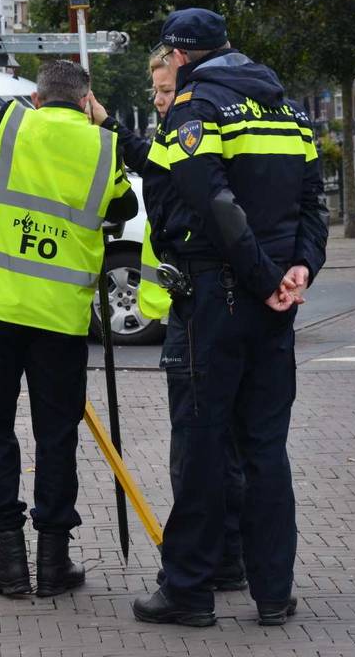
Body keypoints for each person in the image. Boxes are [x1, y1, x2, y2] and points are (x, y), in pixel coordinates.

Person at [0, 11, 139, 598]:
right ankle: (53, 562)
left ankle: (8, 561)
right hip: (59, 321)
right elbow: (121, 208)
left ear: (38, 98)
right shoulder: (105, 148)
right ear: (86, 102)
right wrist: (102, 125)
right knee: (56, 436)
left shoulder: (12, 124)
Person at [131, 8, 329, 628]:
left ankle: (189, 590)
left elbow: (213, 204)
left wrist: (264, 279)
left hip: (217, 298)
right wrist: (300, 269)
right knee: (266, 449)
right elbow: (314, 204)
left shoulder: (196, 109)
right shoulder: (289, 111)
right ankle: (273, 592)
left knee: (202, 443)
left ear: (179, 57)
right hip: (275, 309)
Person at [87, 45, 248, 592]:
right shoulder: (178, 130)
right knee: (220, 441)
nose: (159, 101)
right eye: (154, 91)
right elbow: (149, 160)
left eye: (165, 89)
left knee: (200, 443)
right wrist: (109, 123)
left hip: (199, 308)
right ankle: (229, 558)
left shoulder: (194, 132)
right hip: (187, 306)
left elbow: (164, 176)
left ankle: (208, 567)